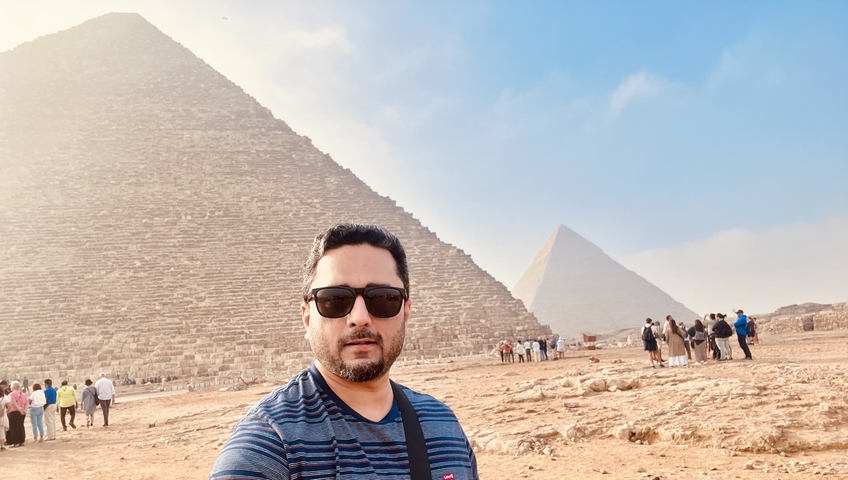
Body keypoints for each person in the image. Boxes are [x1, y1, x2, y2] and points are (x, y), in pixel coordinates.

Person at [210, 224, 478, 479]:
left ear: (406, 315)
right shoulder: (269, 446)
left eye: (384, 298)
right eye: (334, 300)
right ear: (307, 318)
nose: (359, 318)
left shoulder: (444, 426)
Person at [6, 381, 28, 447]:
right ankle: (21, 441)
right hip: (22, 412)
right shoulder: (23, 394)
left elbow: (13, 403)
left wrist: (18, 410)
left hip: (14, 412)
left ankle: (15, 442)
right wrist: (24, 410)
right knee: (21, 426)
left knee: (13, 427)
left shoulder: (11, 394)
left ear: (13, 387)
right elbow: (27, 403)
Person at [0, 381, 9, 450]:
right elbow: (9, 406)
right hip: (2, 415)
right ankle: (2, 445)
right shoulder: (5, 397)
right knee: (1, 430)